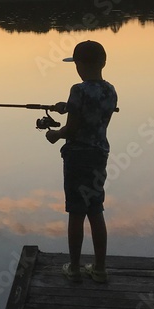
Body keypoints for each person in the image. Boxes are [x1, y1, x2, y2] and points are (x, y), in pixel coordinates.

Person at [44, 40, 118, 284]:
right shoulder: (110, 90)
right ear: (103, 62)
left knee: (76, 212)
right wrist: (67, 108)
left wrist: (55, 134)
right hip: (99, 156)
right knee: (95, 210)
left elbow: (73, 127)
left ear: (78, 65)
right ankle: (99, 269)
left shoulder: (78, 90)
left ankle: (74, 268)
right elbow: (92, 114)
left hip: (77, 157)